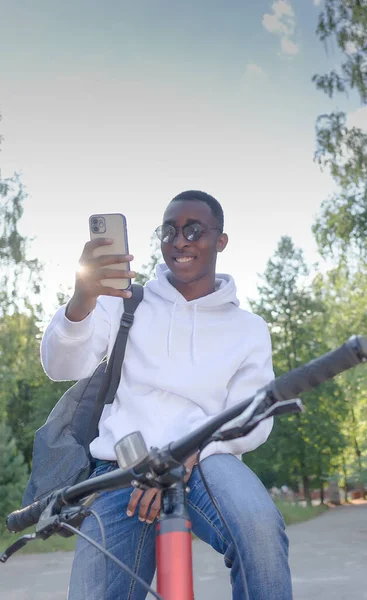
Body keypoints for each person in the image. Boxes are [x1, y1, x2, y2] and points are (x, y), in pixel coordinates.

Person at [41, 190, 293, 600]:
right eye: (169, 230)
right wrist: (81, 300)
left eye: (194, 230)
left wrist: (187, 455)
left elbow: (253, 416)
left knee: (260, 531)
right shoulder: (124, 302)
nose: (180, 241)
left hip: (208, 458)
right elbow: (60, 367)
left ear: (220, 241)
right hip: (122, 466)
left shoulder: (249, 328)